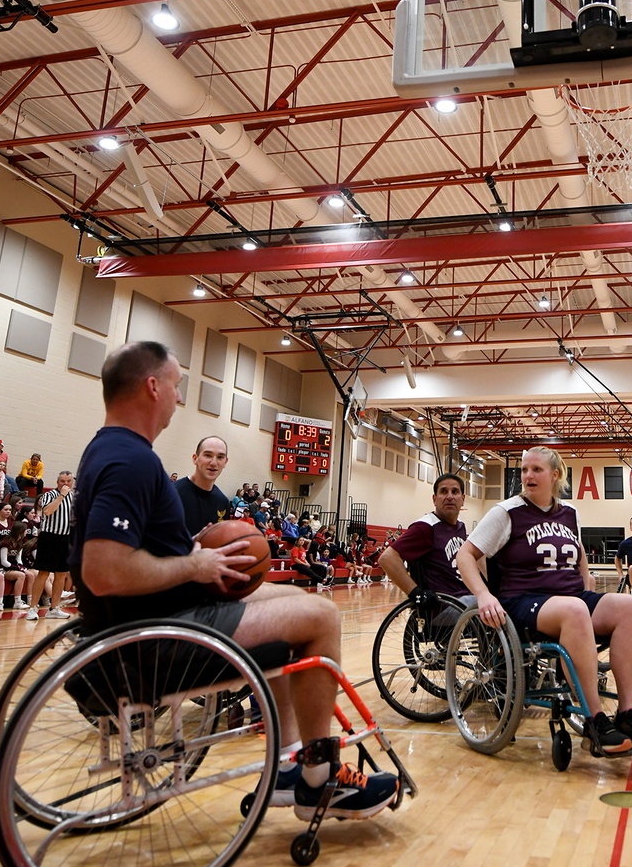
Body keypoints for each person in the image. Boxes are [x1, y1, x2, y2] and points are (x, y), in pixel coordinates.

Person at [69, 340, 397, 821]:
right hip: (158, 639)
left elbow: (128, 551)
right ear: (152, 386)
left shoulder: (110, 449)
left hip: (158, 618)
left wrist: (187, 546)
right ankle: (319, 778)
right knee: (322, 615)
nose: (179, 400)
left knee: (290, 598)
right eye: (177, 387)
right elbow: (104, 570)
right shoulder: (131, 460)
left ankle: (288, 764)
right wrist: (192, 565)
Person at [454, 446, 632, 757]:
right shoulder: (506, 512)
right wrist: (483, 595)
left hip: (569, 599)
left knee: (629, 606)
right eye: (524, 470)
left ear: (555, 475)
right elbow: (465, 555)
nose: (527, 475)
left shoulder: (570, 512)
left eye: (536, 469)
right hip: (523, 602)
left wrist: (586, 576)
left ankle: (629, 715)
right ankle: (595, 719)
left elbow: (577, 552)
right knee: (575, 609)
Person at [377, 473, 476, 616]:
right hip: (444, 606)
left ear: (463, 499)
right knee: (495, 603)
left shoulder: (461, 527)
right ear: (434, 499)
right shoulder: (426, 527)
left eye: (455, 492)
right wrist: (416, 593)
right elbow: (387, 558)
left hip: (464, 599)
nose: (449, 496)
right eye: (443, 491)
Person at [25, 470, 76, 622]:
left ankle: (54, 608)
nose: (65, 484)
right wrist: (61, 495)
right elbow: (47, 511)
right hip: (49, 537)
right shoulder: (49, 495)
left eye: (68, 481)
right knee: (43, 573)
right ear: (57, 482)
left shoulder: (75, 498)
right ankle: (32, 608)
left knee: (61, 574)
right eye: (62, 481)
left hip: (66, 538)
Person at [174, 436, 231, 534]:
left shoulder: (223, 502)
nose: (213, 463)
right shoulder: (172, 493)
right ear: (195, 458)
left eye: (220, 457)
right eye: (208, 455)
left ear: (225, 462)